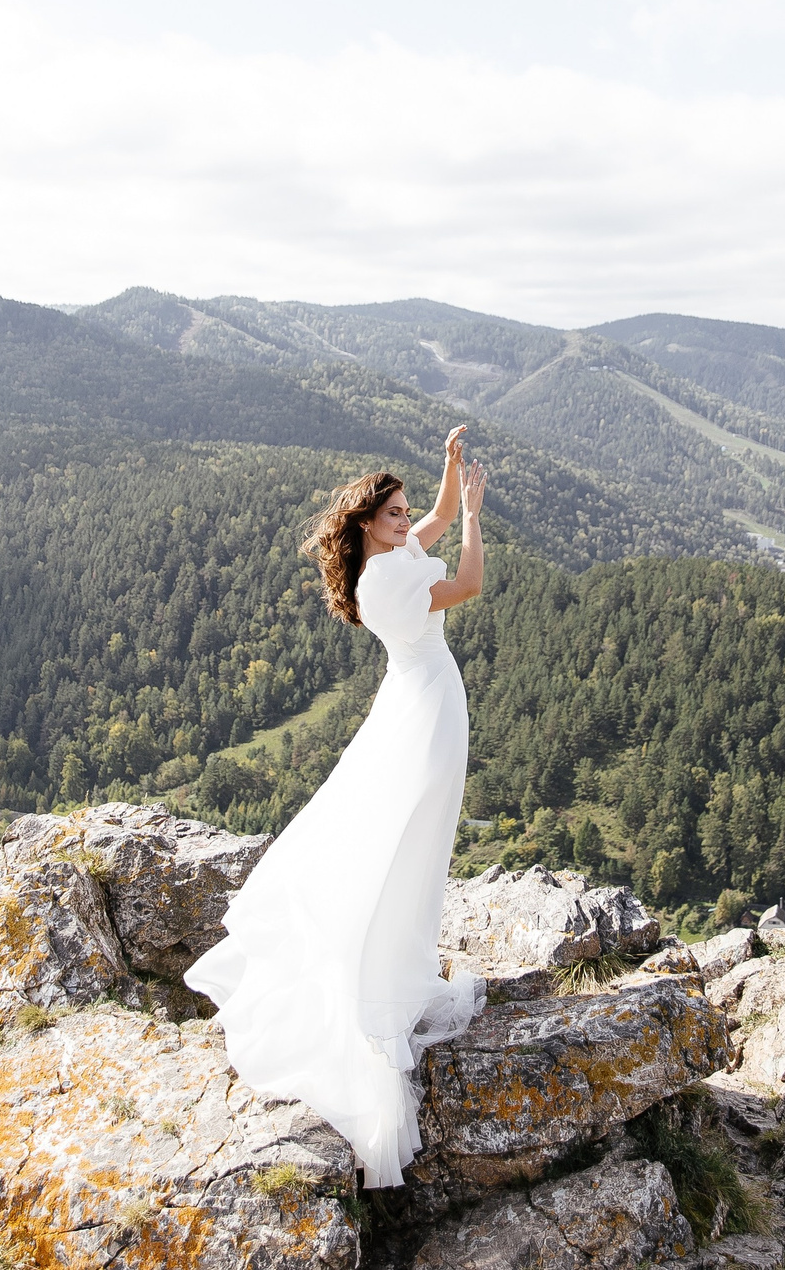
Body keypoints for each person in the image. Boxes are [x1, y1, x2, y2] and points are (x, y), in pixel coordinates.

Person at [185, 426, 490, 1188]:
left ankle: (401, 965)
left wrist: (450, 475)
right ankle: (380, 980)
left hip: (425, 699)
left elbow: (437, 523)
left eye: (403, 511)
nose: (406, 520)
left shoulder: (392, 556)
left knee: (417, 840)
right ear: (364, 524)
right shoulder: (386, 581)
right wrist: (480, 516)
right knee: (409, 841)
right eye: (393, 513)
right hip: (425, 706)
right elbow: (469, 584)